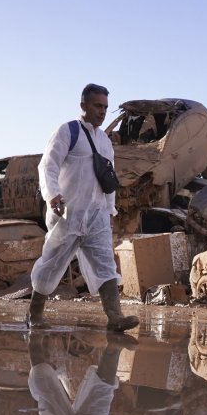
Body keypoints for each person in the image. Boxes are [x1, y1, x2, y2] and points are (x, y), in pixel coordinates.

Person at [27, 83, 139, 332]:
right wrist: (52, 195)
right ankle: (34, 313)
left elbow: (107, 179)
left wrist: (110, 211)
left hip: (97, 216)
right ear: (83, 106)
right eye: (98, 106)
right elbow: (48, 166)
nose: (102, 111)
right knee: (52, 263)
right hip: (67, 213)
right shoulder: (68, 132)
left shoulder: (105, 142)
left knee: (105, 263)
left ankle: (115, 317)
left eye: (105, 107)